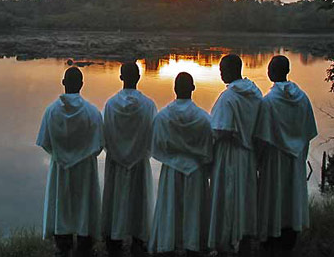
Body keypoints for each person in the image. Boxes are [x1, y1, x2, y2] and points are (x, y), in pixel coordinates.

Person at [35, 67, 103, 257]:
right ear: (82, 84)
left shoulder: (51, 111)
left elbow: (45, 142)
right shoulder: (92, 112)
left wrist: (61, 156)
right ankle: (84, 243)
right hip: (84, 169)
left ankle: (63, 244)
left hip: (60, 167)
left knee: (61, 204)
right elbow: (98, 145)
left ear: (63, 83)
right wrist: (82, 156)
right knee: (84, 204)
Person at [254, 55, 317, 257]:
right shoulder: (303, 98)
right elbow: (308, 131)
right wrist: (298, 149)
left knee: (273, 198)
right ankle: (290, 237)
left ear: (273, 72)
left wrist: (258, 160)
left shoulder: (268, 102)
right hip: (295, 157)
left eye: (270, 68)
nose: (268, 71)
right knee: (291, 197)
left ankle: (271, 237)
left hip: (274, 159)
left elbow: (261, 137)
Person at [148, 72, 213, 257]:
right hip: (195, 171)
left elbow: (156, 146)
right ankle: (193, 245)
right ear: (193, 88)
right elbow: (209, 150)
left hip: (171, 169)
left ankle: (168, 243)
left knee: (170, 209)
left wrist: (171, 157)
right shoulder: (203, 119)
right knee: (194, 210)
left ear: (174, 89)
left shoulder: (163, 117)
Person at [208, 54, 263, 254]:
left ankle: (226, 242)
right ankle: (245, 239)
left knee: (227, 197)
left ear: (232, 70)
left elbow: (219, 129)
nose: (220, 73)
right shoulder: (256, 93)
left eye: (222, 70)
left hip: (229, 156)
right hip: (248, 155)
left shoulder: (229, 97)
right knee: (246, 198)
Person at [102, 62, 157, 257]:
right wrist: (141, 153)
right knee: (138, 200)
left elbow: (105, 134)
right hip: (139, 161)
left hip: (116, 161)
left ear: (121, 77)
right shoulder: (148, 105)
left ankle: (113, 238)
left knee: (114, 198)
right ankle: (138, 239)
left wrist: (117, 151)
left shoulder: (110, 104)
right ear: (138, 78)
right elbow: (153, 135)